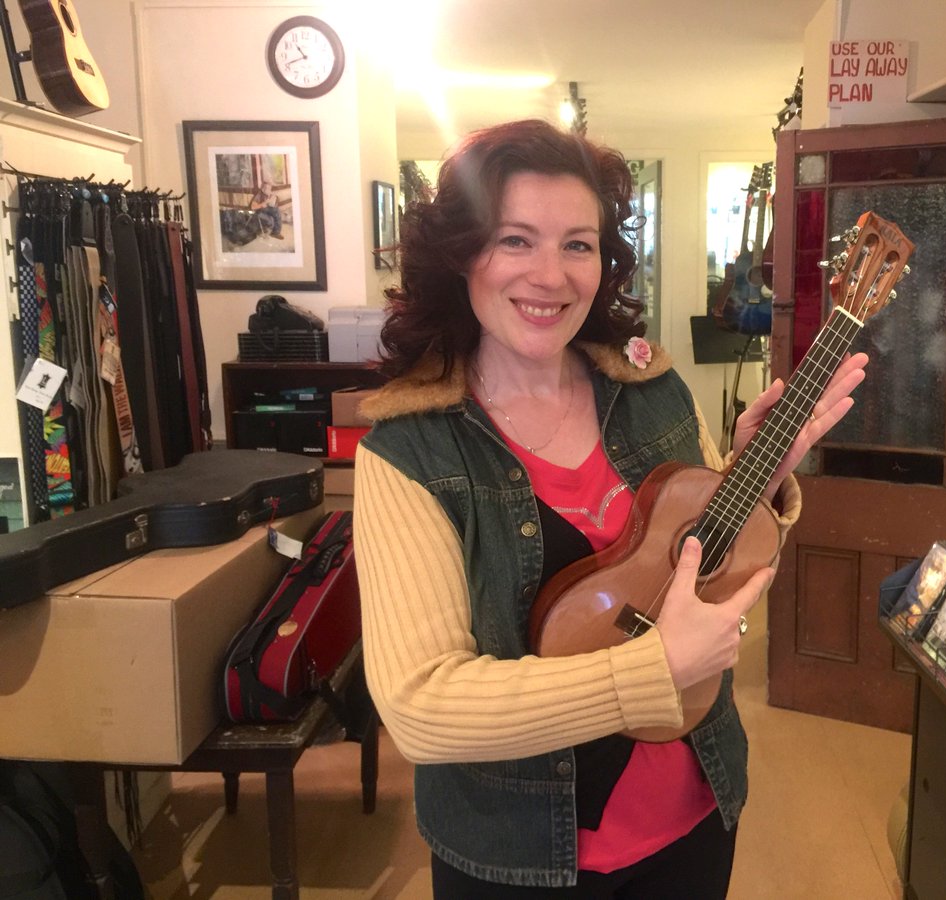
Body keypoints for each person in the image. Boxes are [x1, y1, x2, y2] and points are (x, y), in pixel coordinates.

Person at [353, 119, 868, 897]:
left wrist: (757, 482)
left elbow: (708, 572)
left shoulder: (650, 390)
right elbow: (421, 707)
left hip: (697, 813)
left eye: (578, 245)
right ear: (462, 253)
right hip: (521, 857)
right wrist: (654, 669)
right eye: (515, 240)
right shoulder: (409, 452)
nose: (551, 275)